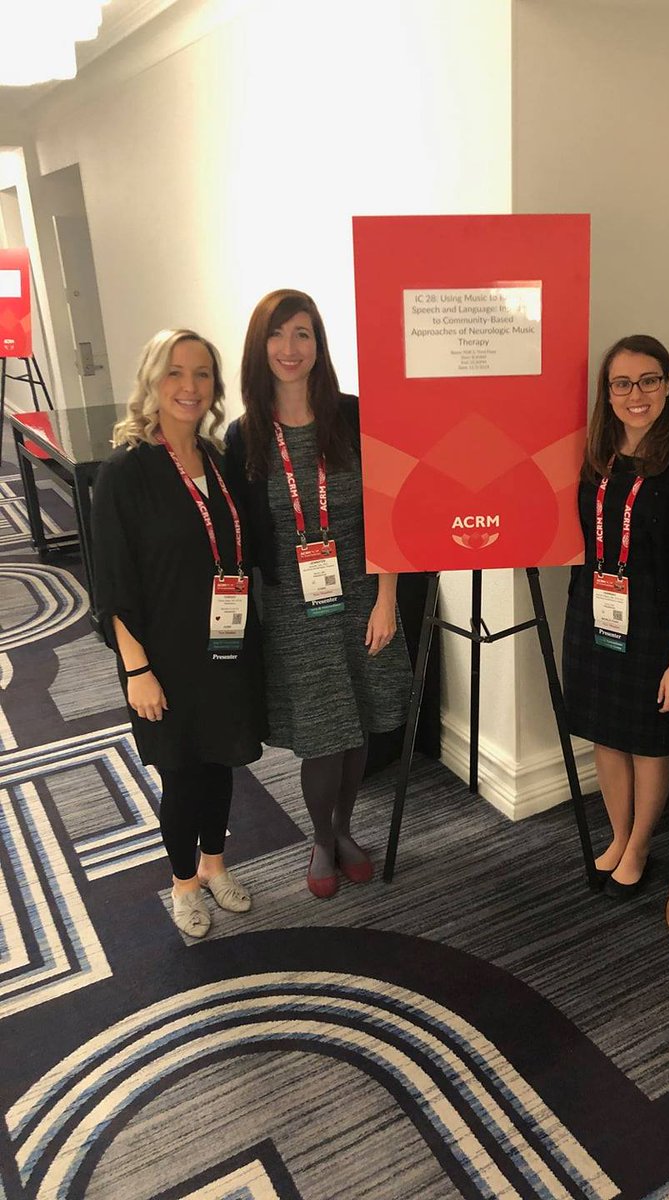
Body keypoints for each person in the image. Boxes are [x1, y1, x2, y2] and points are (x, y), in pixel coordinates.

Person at [225, 289, 411, 899]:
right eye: (277, 334)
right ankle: (322, 839)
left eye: (302, 333)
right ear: (260, 347)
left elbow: (388, 511)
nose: (290, 347)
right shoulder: (244, 436)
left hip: (363, 594)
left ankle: (345, 829)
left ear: (318, 344)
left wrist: (388, 599)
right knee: (322, 733)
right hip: (291, 607)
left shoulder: (353, 416)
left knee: (358, 725)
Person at [92, 329, 266, 938]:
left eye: (202, 374)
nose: (189, 386)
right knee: (182, 772)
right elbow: (111, 580)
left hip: (226, 643)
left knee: (221, 761)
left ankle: (215, 864)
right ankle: (184, 882)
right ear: (152, 380)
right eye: (175, 372)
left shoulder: (219, 460)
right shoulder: (126, 471)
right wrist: (136, 668)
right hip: (163, 654)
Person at [562, 334, 669, 895]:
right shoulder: (596, 453)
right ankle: (619, 833)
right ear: (607, 393)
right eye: (622, 384)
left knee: (648, 742)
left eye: (648, 381)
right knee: (606, 734)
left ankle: (641, 844)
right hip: (594, 616)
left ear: (668, 384)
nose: (636, 395)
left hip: (656, 625)